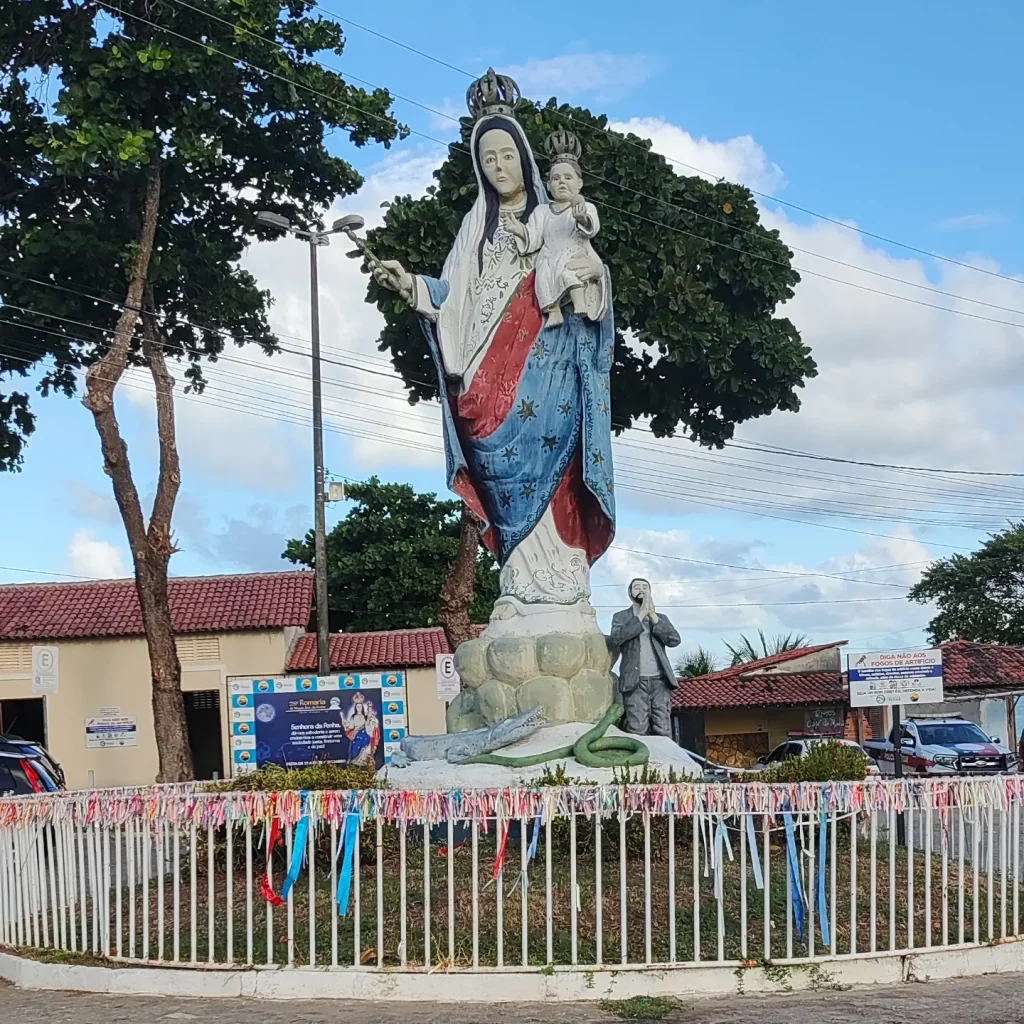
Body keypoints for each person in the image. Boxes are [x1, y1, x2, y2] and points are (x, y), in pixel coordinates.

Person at [370, 70, 614, 627]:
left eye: (507, 155)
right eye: (489, 160)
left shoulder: (553, 216)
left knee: (553, 458)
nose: (499, 167)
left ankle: (560, 580)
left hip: (546, 364)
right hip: (484, 373)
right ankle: (520, 579)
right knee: (483, 433)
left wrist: (581, 286)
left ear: (523, 158)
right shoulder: (474, 225)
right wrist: (409, 283)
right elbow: (450, 294)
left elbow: (589, 272)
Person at [504, 129, 605, 328]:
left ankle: (580, 302)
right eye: (556, 179)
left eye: (568, 178)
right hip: (548, 255)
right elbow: (533, 237)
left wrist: (582, 218)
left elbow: (591, 228)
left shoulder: (583, 206)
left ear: (579, 183)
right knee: (543, 280)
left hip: (573, 252)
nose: (562, 183)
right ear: (549, 185)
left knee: (570, 271)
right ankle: (553, 312)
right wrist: (518, 229)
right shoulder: (542, 211)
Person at [609, 579, 681, 736]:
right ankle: (640, 758)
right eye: (636, 587)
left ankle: (664, 757)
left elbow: (674, 640)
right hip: (634, 680)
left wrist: (653, 617)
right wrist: (640, 616)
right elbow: (616, 639)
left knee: (662, 724)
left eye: (645, 587)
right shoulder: (621, 617)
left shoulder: (660, 618)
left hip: (660, 680)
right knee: (637, 725)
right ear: (630, 593)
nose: (641, 590)